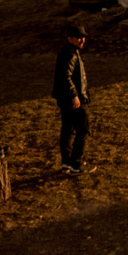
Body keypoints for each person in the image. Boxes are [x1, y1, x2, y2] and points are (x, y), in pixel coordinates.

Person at [53, 22, 93, 174]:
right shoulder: (71, 53)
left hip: (65, 98)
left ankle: (66, 163)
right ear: (70, 38)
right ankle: (76, 164)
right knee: (83, 128)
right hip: (72, 99)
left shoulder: (68, 51)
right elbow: (66, 76)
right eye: (78, 37)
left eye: (83, 37)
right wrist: (74, 95)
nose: (82, 40)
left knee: (67, 130)